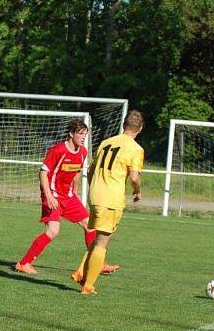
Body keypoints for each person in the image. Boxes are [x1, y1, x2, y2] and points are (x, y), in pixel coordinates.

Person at [14, 119, 119, 276]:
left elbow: (76, 172)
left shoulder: (83, 152)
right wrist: (49, 195)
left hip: (68, 197)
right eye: (80, 134)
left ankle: (97, 263)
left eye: (85, 135)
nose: (84, 138)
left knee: (90, 226)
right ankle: (24, 263)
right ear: (71, 134)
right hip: (53, 195)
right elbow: (43, 172)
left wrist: (75, 192)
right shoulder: (58, 150)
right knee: (53, 231)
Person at [73, 109, 144, 295]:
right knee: (103, 241)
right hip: (111, 198)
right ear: (141, 129)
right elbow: (135, 177)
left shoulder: (106, 142)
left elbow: (90, 171)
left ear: (123, 125)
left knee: (100, 238)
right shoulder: (136, 149)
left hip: (95, 195)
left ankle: (80, 272)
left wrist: (94, 188)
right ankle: (88, 286)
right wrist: (137, 192)